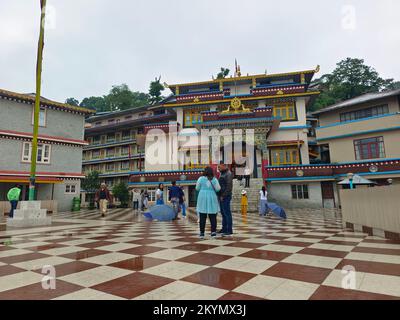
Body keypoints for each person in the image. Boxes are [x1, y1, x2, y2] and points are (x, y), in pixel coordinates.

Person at [196, 166, 221, 239]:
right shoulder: (214, 179)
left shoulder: (200, 179)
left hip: (202, 197)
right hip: (212, 197)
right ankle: (213, 233)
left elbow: (197, 188)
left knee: (202, 216)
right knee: (213, 216)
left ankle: (202, 233)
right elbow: (218, 189)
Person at [218, 162, 233, 236]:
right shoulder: (222, 173)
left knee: (227, 213)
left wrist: (223, 196)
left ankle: (229, 229)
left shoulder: (228, 174)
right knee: (223, 213)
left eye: (219, 167)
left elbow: (229, 187)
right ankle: (224, 228)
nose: (218, 168)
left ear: (224, 165)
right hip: (221, 196)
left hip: (225, 196)